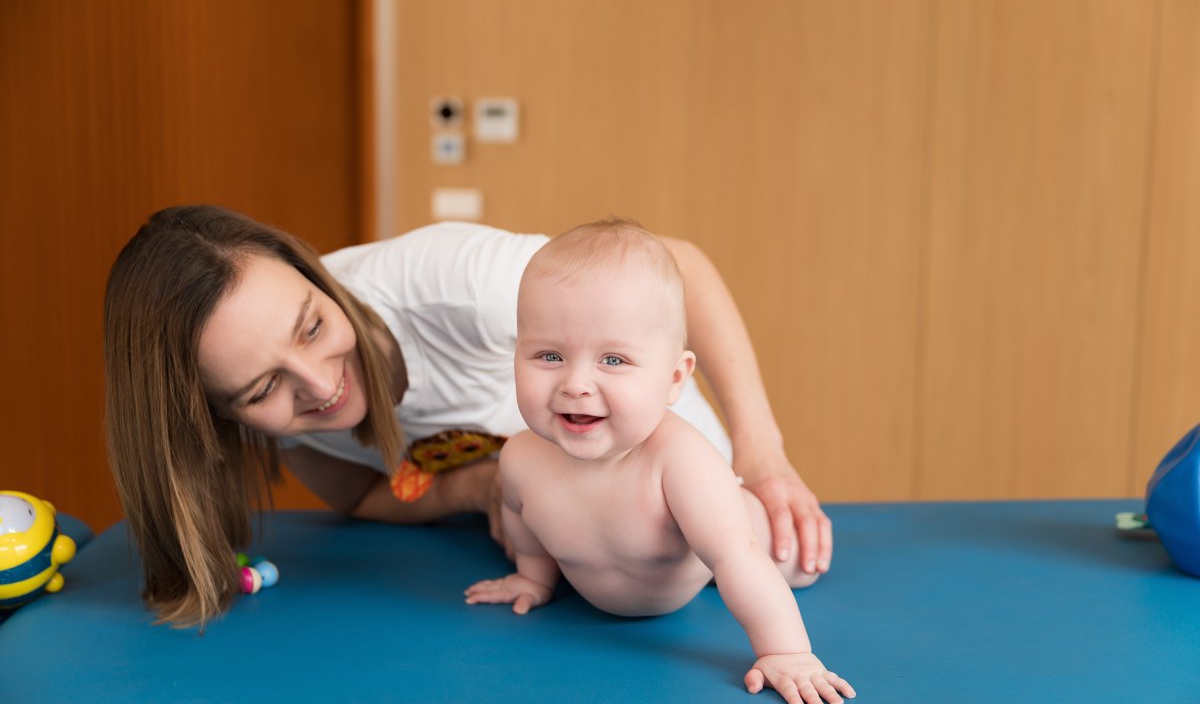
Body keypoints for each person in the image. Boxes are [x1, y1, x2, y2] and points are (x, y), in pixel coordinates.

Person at [104, 205, 830, 627]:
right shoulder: (285, 435)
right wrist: (485, 490)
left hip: (674, 509)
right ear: (217, 417)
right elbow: (361, 495)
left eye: (312, 327)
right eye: (264, 387)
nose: (321, 386)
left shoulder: (455, 286)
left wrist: (762, 454)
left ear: (314, 276)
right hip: (557, 542)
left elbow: (677, 266)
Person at [464, 221, 853, 704]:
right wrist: (533, 577)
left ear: (674, 379)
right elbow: (522, 522)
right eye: (549, 355)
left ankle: (759, 523)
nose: (576, 383)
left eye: (613, 360)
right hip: (628, 579)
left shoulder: (680, 463)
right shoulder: (520, 458)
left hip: (708, 551)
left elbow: (737, 558)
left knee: (787, 559)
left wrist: (786, 653)